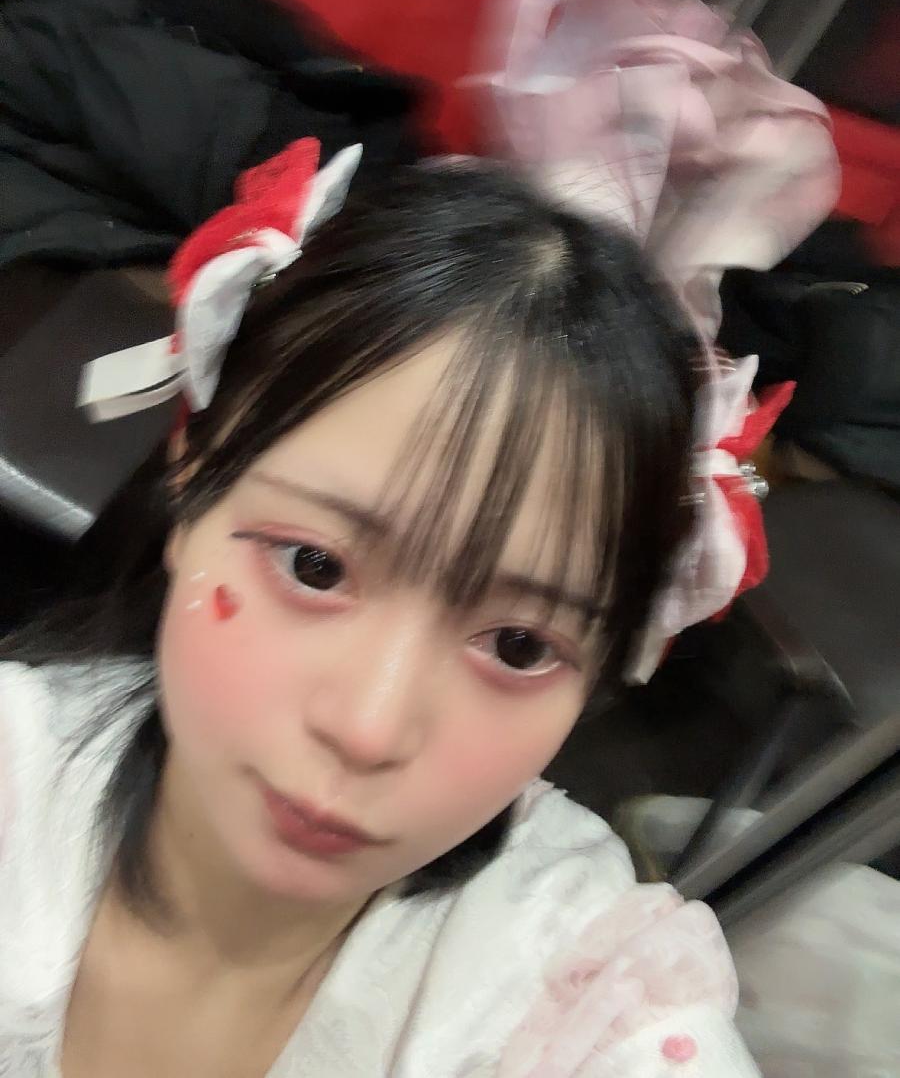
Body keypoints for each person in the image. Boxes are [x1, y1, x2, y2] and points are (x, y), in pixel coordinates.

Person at [0, 140, 763, 1076]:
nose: (369, 728)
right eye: (316, 566)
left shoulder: (572, 997)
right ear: (193, 483)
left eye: (519, 645)